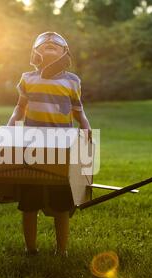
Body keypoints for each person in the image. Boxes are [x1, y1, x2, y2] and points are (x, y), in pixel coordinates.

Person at [7, 31, 92, 257]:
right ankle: (31, 249)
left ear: (65, 53)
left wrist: (85, 124)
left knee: (62, 204)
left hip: (63, 148)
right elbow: (20, 106)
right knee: (29, 202)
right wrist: (14, 118)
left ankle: (61, 250)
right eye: (45, 44)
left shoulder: (72, 81)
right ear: (36, 53)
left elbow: (78, 111)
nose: (50, 44)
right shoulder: (28, 79)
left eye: (56, 44)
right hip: (32, 147)